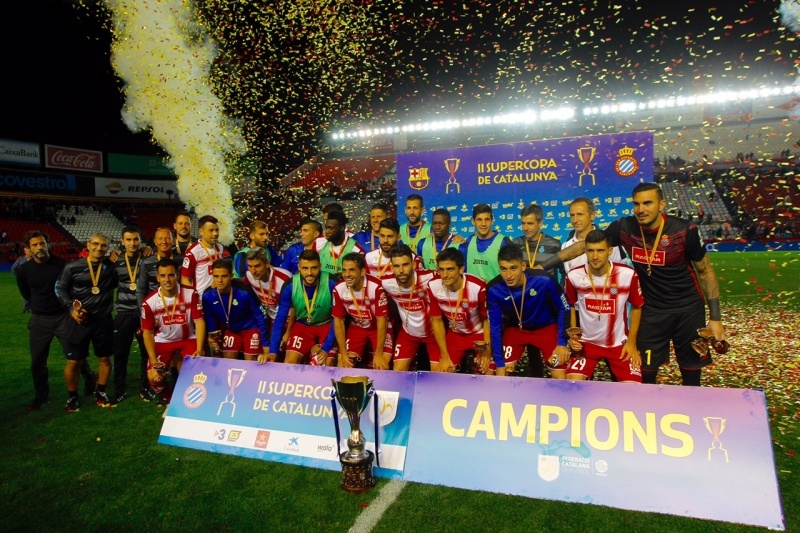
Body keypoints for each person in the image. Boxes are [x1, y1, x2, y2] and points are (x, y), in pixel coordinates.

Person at [540, 182, 727, 386]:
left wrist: (715, 317)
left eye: (647, 203)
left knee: (690, 370)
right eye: (636, 204)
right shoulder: (625, 228)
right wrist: (543, 266)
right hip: (652, 310)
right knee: (646, 371)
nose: (641, 209)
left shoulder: (684, 230)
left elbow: (705, 270)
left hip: (687, 308)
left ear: (661, 204)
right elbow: (584, 247)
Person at [16, 230, 96, 411]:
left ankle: (89, 377)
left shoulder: (62, 265)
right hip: (39, 320)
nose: (39, 247)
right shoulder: (24, 271)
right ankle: (42, 397)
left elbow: (71, 289)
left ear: (48, 244)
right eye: (35, 245)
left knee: (75, 356)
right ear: (28, 248)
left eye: (42, 243)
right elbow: (26, 293)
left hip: (63, 317)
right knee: (37, 361)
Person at [564, 230, 644, 383]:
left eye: (600, 250)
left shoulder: (627, 274)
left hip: (619, 345)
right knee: (572, 385)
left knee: (633, 390)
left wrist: (632, 343)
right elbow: (571, 305)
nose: (595, 256)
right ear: (585, 251)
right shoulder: (574, 276)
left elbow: (637, 306)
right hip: (587, 344)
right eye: (590, 251)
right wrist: (574, 336)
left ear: (610, 250)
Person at [55, 232, 118, 411]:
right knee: (74, 361)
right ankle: (72, 397)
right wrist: (72, 309)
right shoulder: (72, 267)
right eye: (95, 244)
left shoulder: (110, 267)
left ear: (108, 248)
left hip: (103, 320)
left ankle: (101, 392)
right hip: (80, 320)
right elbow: (60, 288)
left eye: (103, 245)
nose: (99, 248)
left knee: (105, 358)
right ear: (88, 245)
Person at [486, 245, 570, 377]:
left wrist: (562, 343)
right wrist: (500, 364)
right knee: (499, 373)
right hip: (516, 330)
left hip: (546, 329)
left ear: (523, 266)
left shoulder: (544, 280)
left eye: (513, 268)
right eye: (504, 269)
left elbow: (564, 308)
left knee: (561, 376)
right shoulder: (494, 289)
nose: (508, 275)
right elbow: (495, 327)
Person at [141, 259, 205, 403]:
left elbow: (199, 322)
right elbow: (148, 333)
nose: (167, 279)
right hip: (164, 341)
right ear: (158, 278)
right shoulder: (149, 302)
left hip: (187, 339)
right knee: (153, 377)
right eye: (163, 276)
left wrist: (199, 350)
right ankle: (170, 400)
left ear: (177, 275)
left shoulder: (191, 294)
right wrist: (153, 362)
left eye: (170, 275)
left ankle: (193, 402)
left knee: (197, 371)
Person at [266, 250, 338, 365]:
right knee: (289, 363)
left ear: (320, 266)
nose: (309, 273)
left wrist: (327, 346)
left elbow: (338, 319)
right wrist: (273, 351)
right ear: (299, 267)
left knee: (326, 363)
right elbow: (280, 319)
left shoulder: (332, 283)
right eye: (305, 268)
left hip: (326, 324)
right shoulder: (290, 286)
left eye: (314, 268)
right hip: (303, 325)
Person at [427, 248, 491, 373]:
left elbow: (487, 320)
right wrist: (444, 355)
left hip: (479, 333)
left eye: (450, 269)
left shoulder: (477, 287)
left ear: (461, 269)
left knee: (487, 372)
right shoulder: (433, 286)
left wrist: (487, 351)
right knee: (442, 372)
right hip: (455, 334)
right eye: (441, 269)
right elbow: (437, 321)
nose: (445, 275)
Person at [381, 244, 438, 371]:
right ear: (391, 267)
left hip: (434, 334)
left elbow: (452, 278)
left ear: (413, 264)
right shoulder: (386, 282)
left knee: (439, 376)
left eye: (405, 265)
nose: (401, 270)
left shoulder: (430, 277)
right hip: (408, 333)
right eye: (396, 266)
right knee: (397, 372)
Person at [112, 227, 152, 403]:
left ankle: (145, 388)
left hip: (143, 312)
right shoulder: (116, 260)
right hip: (124, 312)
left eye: (135, 239)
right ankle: (119, 390)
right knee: (121, 354)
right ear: (122, 241)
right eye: (128, 240)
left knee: (146, 353)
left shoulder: (148, 257)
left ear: (140, 240)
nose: (132, 243)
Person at [332, 253, 391, 369]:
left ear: (363, 272)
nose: (347, 275)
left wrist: (379, 353)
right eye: (344, 270)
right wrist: (343, 353)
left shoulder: (376, 287)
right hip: (357, 327)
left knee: (381, 365)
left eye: (352, 270)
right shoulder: (339, 289)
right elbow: (338, 322)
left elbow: (382, 321)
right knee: (343, 364)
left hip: (378, 328)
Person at [202, 259, 268, 361]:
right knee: (227, 361)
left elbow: (261, 317)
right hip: (232, 329)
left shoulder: (244, 292)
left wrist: (265, 344)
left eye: (224, 276)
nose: (219, 280)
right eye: (216, 276)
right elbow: (209, 318)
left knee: (250, 361)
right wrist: (213, 337)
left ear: (231, 276)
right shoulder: (207, 295)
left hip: (250, 328)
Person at [244, 246, 292, 357]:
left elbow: (295, 308)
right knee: (269, 355)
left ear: (267, 264)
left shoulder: (284, 278)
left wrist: (288, 332)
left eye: (257, 266)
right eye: (250, 266)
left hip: (289, 321)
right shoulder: (249, 276)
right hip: (269, 321)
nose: (253, 271)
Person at [561, 197, 622, 274]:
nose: (575, 220)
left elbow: (621, 271)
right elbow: (566, 275)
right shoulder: (565, 246)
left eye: (580, 214)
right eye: (572, 215)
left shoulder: (610, 241)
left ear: (592, 215)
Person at [459, 203, 513, 282]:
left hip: (495, 290)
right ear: (473, 221)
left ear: (492, 221)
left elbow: (511, 272)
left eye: (487, 219)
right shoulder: (469, 241)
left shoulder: (503, 242)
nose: (483, 224)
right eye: (479, 220)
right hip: (473, 290)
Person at [512, 203, 564, 282]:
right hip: (524, 289)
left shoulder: (554, 245)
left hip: (547, 290)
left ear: (540, 224)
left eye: (530, 224)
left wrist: (559, 288)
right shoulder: (515, 244)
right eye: (523, 223)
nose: (525, 228)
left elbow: (564, 273)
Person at [181, 215, 231, 294]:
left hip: (219, 296)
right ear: (201, 231)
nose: (215, 233)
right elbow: (185, 280)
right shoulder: (192, 252)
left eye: (217, 230)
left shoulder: (220, 248)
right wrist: (194, 298)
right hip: (201, 298)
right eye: (211, 230)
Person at [137, 227, 182, 308]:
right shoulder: (146, 262)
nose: (164, 242)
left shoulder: (182, 260)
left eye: (167, 238)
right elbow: (140, 290)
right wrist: (143, 310)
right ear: (155, 241)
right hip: (154, 307)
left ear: (173, 240)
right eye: (160, 238)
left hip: (177, 305)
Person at [318, 210, 364, 278]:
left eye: (331, 228)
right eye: (326, 228)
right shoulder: (320, 244)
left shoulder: (356, 249)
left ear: (342, 228)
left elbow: (362, 274)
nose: (327, 231)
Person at [11, 244, 32, 313]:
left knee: (35, 292)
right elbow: (13, 268)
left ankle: (34, 306)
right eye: (28, 251)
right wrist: (17, 276)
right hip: (24, 280)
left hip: (33, 279)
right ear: (25, 251)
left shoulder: (35, 259)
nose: (30, 252)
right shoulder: (20, 259)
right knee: (25, 293)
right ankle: (26, 308)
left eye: (30, 251)